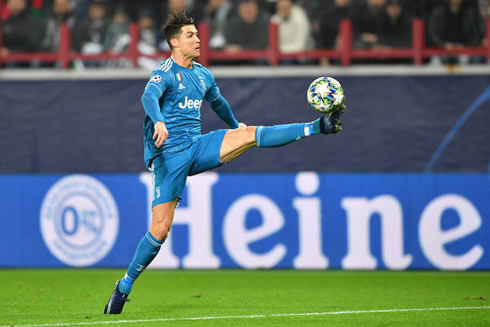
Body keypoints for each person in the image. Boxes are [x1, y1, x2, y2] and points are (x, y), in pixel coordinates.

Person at [103, 10, 345, 314]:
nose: (198, 38)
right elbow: (148, 97)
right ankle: (124, 285)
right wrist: (159, 121)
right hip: (169, 156)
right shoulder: (164, 72)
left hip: (197, 145)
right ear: (175, 42)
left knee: (251, 134)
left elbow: (218, 102)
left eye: (197, 34)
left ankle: (317, 127)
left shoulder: (203, 74)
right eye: (190, 35)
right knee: (160, 229)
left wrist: (235, 126)